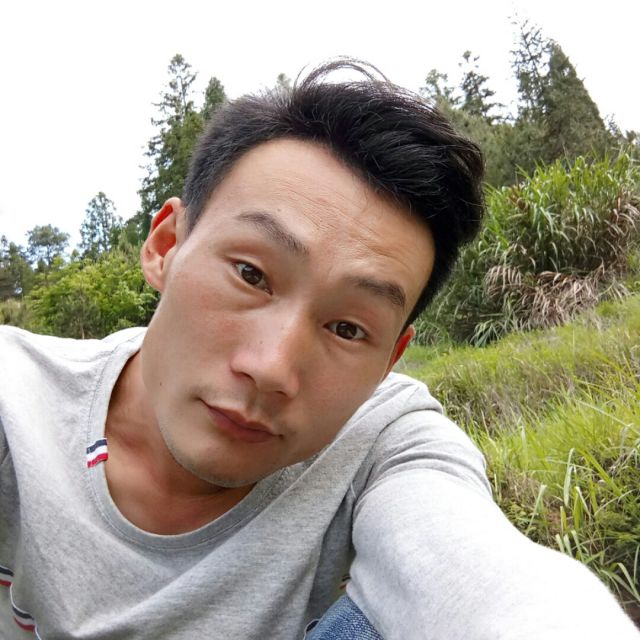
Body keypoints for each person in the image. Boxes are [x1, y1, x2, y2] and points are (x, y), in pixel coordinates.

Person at [0, 61, 637, 640]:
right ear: (167, 246)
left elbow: (483, 574)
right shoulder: (18, 399)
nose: (271, 368)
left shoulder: (385, 440)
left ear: (391, 359)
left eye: (348, 329)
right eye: (251, 274)